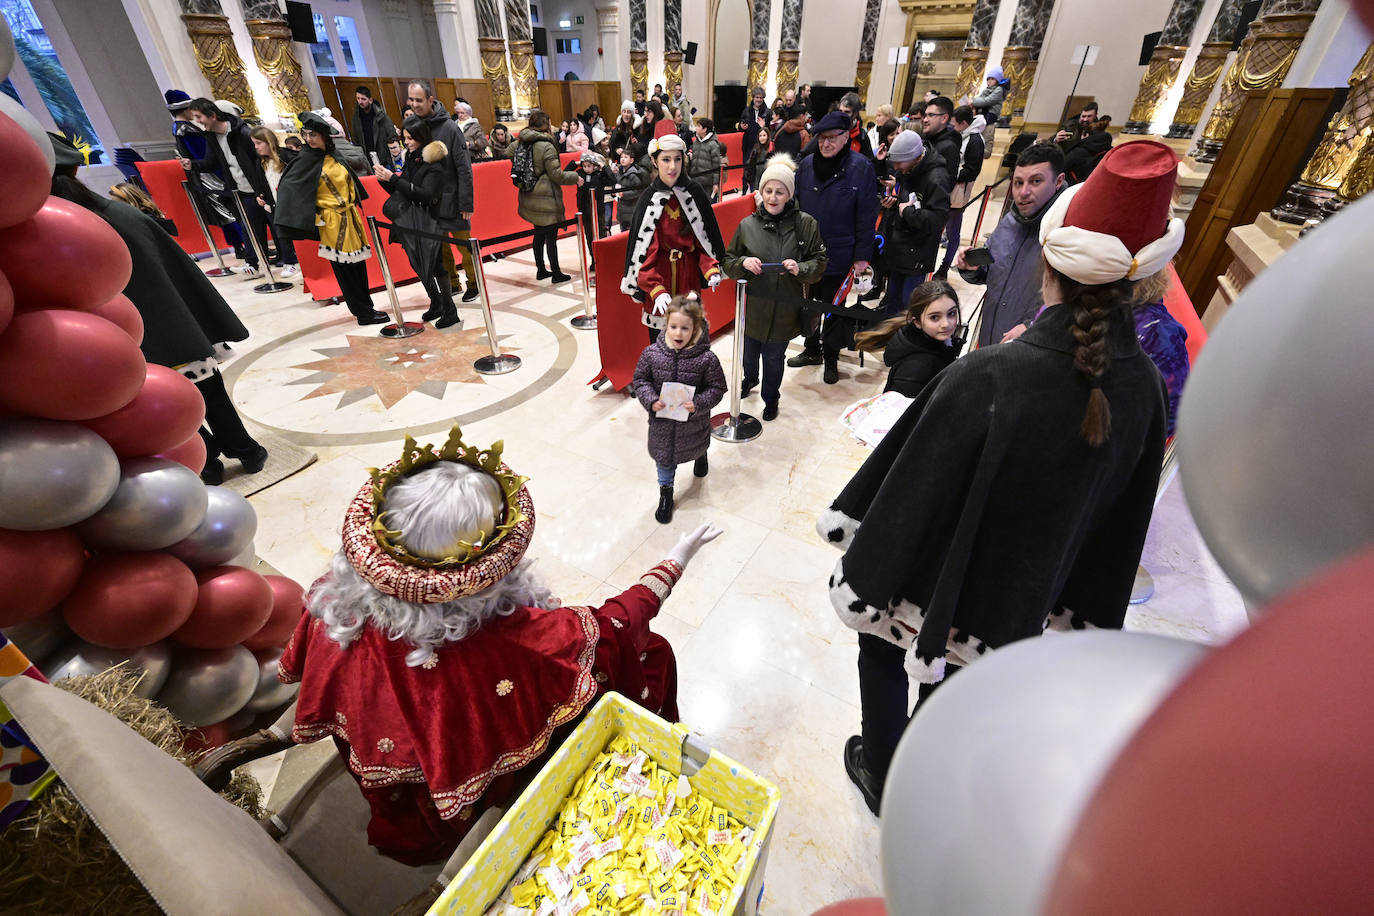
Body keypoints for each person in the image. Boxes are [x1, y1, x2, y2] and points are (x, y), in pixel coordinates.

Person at [819, 140, 1182, 815]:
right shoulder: (1146, 389)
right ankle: (934, 773)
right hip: (1026, 592)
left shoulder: (988, 374)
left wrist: (867, 561)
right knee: (960, 682)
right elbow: (1119, 522)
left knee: (882, 646)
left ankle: (885, 769)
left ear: (1052, 263)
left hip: (942, 572)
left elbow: (908, 492)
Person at [272, 425, 722, 864]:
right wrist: (673, 564)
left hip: (390, 788)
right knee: (653, 654)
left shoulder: (330, 603)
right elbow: (613, 629)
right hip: (472, 804)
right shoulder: (510, 644)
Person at [50, 135, 268, 484]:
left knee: (165, 404)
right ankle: (246, 450)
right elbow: (178, 274)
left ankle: (208, 460)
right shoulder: (121, 215)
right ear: (76, 169)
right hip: (174, 327)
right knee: (210, 392)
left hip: (116, 344)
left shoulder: (49, 233)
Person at [722, 156, 828, 421]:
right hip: (752, 310)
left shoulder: (806, 224)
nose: (773, 197)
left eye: (780, 191)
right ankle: (749, 379)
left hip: (784, 311)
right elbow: (728, 261)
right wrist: (744, 262)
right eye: (768, 190)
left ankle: (771, 398)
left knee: (773, 359)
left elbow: (819, 262)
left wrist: (799, 268)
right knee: (748, 355)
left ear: (789, 195)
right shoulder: (747, 225)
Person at [790, 110, 880, 383]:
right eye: (821, 138)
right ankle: (811, 349)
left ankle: (831, 358)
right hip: (807, 254)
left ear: (845, 137)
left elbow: (866, 216)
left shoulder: (861, 168)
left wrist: (862, 257)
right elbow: (796, 207)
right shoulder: (805, 166)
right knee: (808, 305)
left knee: (835, 310)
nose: (825, 144)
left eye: (832, 138)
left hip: (840, 254)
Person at [274, 111, 389, 326]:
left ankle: (367, 307)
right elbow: (289, 189)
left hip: (351, 218)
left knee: (358, 267)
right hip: (331, 222)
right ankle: (362, 312)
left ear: (325, 137)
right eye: (306, 134)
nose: (308, 139)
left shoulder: (334, 156)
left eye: (313, 135)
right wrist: (314, 216)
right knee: (346, 270)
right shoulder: (306, 160)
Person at [955, 143, 1066, 347]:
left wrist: (1032, 325)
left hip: (1031, 350)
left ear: (1058, 181)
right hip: (991, 339)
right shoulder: (1009, 222)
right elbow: (990, 272)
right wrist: (973, 268)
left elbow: (1076, 303)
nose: (1023, 192)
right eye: (1018, 182)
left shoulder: (1068, 231)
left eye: (1036, 181)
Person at [620, 127, 726, 341]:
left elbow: (704, 242)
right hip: (659, 282)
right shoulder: (648, 200)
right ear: (654, 161)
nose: (672, 166)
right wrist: (655, 289)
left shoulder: (695, 193)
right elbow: (642, 254)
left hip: (688, 282)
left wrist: (711, 269)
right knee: (660, 348)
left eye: (677, 160)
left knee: (690, 342)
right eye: (666, 160)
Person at [631, 297, 728, 523]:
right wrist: (651, 400)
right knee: (664, 458)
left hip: (694, 422)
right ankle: (666, 492)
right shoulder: (652, 354)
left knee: (697, 443)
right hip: (662, 424)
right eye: (673, 327)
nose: (678, 333)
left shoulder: (706, 359)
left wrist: (699, 403)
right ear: (666, 324)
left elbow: (717, 387)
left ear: (696, 329)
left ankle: (701, 455)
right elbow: (640, 380)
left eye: (685, 328)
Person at [374, 116, 460, 329]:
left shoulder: (435, 162)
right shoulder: (412, 158)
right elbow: (404, 189)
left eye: (411, 138)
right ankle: (437, 302)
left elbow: (425, 194)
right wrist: (386, 180)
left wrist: (393, 179)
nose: (408, 143)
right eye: (405, 138)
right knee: (418, 264)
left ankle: (450, 310)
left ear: (422, 137)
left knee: (436, 264)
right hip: (410, 220)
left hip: (429, 220)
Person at [180, 97, 275, 279]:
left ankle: (286, 261)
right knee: (250, 227)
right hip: (240, 191)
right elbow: (211, 162)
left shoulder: (243, 132)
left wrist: (262, 187)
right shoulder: (211, 137)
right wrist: (192, 164)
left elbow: (259, 159)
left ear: (213, 115)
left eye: (199, 116)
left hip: (259, 188)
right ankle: (253, 264)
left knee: (272, 225)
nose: (197, 121)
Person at [407, 80, 480, 303]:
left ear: (430, 100)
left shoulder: (449, 128)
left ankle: (474, 283)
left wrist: (466, 203)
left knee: (464, 246)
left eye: (419, 100)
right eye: (411, 100)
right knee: (439, 248)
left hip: (453, 199)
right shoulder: (411, 124)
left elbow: (464, 168)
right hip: (428, 201)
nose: (415, 104)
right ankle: (452, 283)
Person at [874, 131, 949, 315]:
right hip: (899, 249)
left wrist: (908, 212)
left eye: (900, 163)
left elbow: (938, 220)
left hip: (917, 255)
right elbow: (905, 200)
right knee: (893, 303)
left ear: (915, 157)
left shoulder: (936, 178)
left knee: (908, 307)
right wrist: (893, 204)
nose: (897, 168)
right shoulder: (909, 170)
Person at [166, 88, 245, 259]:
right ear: (186, 109)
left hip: (203, 174)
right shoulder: (187, 130)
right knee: (228, 213)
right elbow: (206, 157)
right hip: (211, 176)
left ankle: (243, 247)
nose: (196, 119)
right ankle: (242, 246)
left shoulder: (179, 128)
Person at [854, 279, 961, 397]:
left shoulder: (938, 342)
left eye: (951, 313)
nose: (946, 324)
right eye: (934, 317)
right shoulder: (917, 369)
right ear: (918, 322)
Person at [516, 108, 582, 283]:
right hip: (545, 196)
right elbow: (557, 175)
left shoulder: (521, 142)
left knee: (538, 234)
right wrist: (576, 177)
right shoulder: (546, 146)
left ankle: (541, 270)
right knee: (551, 236)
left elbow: (509, 153)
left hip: (528, 194)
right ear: (545, 125)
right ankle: (556, 273)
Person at [932, 105, 986, 281]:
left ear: (963, 123)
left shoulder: (976, 140)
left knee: (953, 231)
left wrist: (950, 173)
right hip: (945, 188)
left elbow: (972, 170)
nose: (951, 128)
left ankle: (944, 267)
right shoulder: (959, 134)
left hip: (957, 194)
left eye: (954, 125)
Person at [247, 127, 301, 276]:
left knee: (296, 233)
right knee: (281, 234)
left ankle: (298, 260)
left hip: (291, 202)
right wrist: (260, 196)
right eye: (255, 143)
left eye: (259, 143)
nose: (256, 147)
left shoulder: (286, 156)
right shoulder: (261, 162)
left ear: (268, 142)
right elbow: (261, 183)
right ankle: (290, 262)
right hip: (274, 203)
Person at [350, 86, 398, 164]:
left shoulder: (381, 115)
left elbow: (392, 134)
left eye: (363, 99)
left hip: (383, 158)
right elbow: (355, 138)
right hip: (366, 158)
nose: (360, 102)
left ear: (370, 100)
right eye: (358, 98)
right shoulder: (356, 117)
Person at [921, 96, 960, 192]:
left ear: (944, 118)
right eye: (925, 115)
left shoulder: (949, 147)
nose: (925, 120)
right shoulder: (925, 140)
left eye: (931, 115)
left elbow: (946, 185)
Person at [109, 181, 176, 236]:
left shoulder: (145, 219)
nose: (116, 206)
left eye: (119, 203)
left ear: (131, 202)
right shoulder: (135, 216)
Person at [968, 66, 1008, 153]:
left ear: (997, 80)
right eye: (988, 79)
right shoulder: (988, 89)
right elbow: (981, 98)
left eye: (992, 79)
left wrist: (973, 101)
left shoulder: (999, 89)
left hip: (991, 113)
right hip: (984, 113)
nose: (989, 82)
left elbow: (988, 100)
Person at [1065, 116, 1114, 184]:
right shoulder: (1111, 152)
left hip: (1074, 188)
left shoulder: (1077, 152)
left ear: (1086, 135)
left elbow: (1060, 169)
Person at [738, 87, 770, 191]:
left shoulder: (767, 112)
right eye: (757, 97)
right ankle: (744, 192)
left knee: (758, 171)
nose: (759, 100)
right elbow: (740, 125)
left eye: (761, 98)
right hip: (748, 145)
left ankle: (755, 191)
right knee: (746, 170)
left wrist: (764, 126)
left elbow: (770, 131)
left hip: (761, 147)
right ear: (753, 98)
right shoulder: (746, 110)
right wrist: (741, 127)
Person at [688, 117, 723, 201]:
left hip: (707, 182)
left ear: (704, 129)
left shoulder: (713, 144)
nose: (696, 128)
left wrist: (715, 183)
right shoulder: (696, 142)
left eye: (698, 126)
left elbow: (716, 165)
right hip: (695, 179)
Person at [616, 142, 649, 231]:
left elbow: (638, 191)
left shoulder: (634, 174)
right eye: (621, 157)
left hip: (631, 208)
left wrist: (624, 194)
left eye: (626, 157)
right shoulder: (619, 172)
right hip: (622, 208)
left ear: (631, 160)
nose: (622, 159)